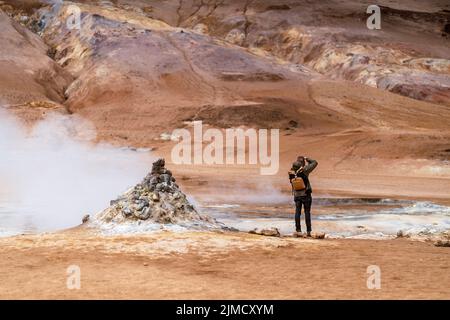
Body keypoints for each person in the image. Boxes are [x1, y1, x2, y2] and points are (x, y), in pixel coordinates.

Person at [288, 156, 318, 236]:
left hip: (297, 195)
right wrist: (307, 158)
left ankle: (298, 230)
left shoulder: (291, 172)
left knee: (297, 212)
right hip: (306, 195)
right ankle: (308, 231)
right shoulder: (305, 170)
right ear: (302, 164)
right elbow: (315, 162)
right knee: (307, 212)